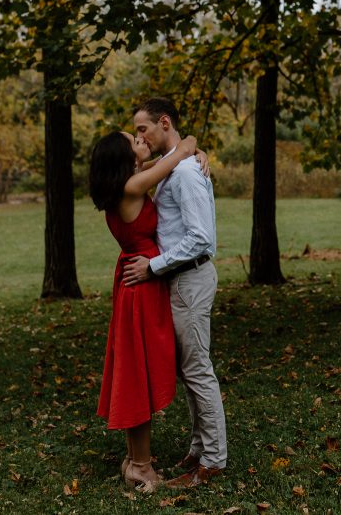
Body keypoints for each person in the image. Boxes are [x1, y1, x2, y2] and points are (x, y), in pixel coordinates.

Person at [122, 97, 227, 489]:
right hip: (179, 280)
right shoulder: (174, 167)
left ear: (164, 122)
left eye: (142, 129)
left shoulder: (183, 173)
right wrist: (190, 146)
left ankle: (213, 461)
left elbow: (201, 238)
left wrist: (153, 265)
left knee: (198, 370)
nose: (139, 136)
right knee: (189, 369)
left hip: (189, 278)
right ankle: (200, 447)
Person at [88, 130, 200, 494]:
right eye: (132, 140)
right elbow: (177, 154)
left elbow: (164, 162)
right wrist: (190, 145)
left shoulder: (123, 184)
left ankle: (134, 458)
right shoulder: (133, 187)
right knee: (137, 375)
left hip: (136, 282)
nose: (140, 140)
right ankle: (140, 467)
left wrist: (194, 154)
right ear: (125, 159)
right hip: (141, 286)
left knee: (137, 371)